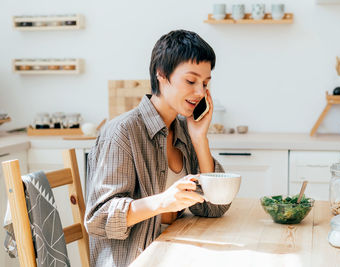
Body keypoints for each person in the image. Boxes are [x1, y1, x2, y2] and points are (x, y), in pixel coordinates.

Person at [84, 29, 231, 266]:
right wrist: (163, 201)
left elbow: (216, 207)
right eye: (191, 81)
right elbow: (99, 218)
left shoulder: (184, 129)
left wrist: (200, 139)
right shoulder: (122, 133)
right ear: (161, 74)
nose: (199, 92)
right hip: (137, 259)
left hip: (176, 253)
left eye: (205, 83)